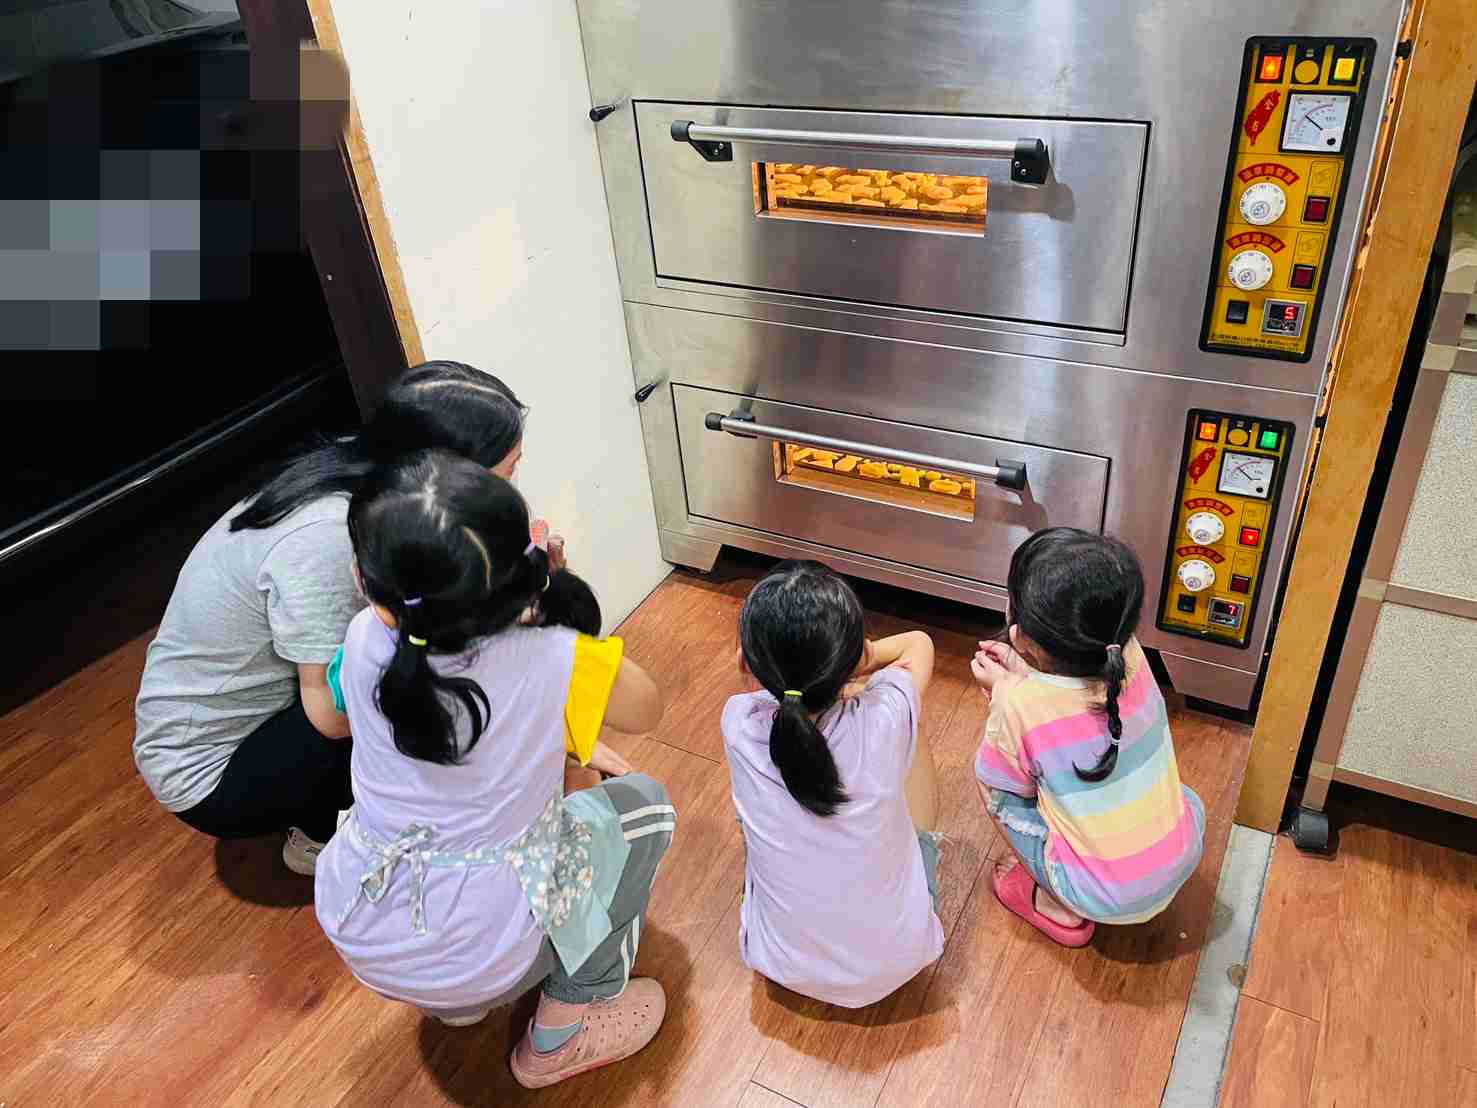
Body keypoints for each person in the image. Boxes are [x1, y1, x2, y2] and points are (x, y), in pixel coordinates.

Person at [314, 450, 672, 1090]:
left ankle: (456, 1006)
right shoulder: (553, 655)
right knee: (646, 807)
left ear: (369, 586)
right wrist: (557, 624)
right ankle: (564, 1031)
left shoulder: (364, 638)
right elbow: (648, 708)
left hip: (360, 918)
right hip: (487, 948)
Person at [133, 361, 533, 876]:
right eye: (507, 473)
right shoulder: (329, 538)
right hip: (211, 771)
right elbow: (332, 714)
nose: (511, 491)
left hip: (267, 705)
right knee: (431, 693)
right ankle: (329, 835)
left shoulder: (372, 470)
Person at [722, 560, 944, 1008]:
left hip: (779, 964)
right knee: (908, 728)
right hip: (899, 960)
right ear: (859, 656)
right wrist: (862, 667)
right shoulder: (885, 716)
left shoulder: (738, 723)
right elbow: (918, 643)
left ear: (744, 662)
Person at [971, 528, 1205, 947]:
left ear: (1020, 634)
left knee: (990, 781)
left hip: (1098, 896)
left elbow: (1004, 777)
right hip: (1183, 852)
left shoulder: (1018, 705)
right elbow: (1073, 705)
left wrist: (1003, 696)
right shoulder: (1128, 652)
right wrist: (1023, 680)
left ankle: (1056, 903)